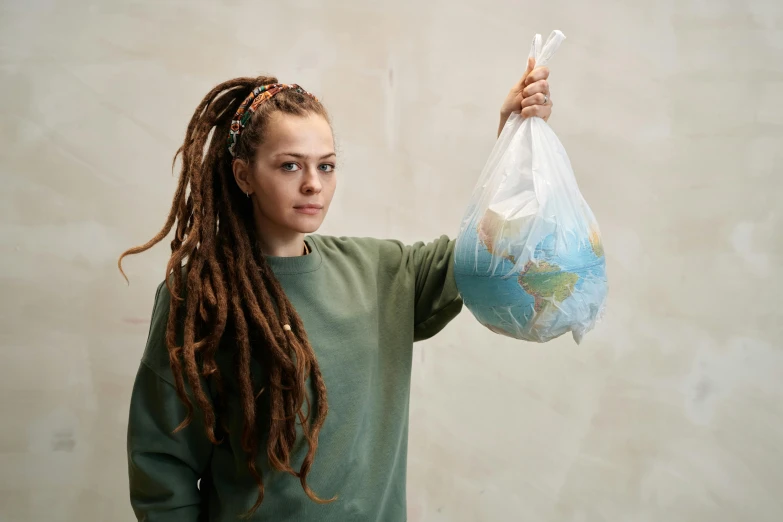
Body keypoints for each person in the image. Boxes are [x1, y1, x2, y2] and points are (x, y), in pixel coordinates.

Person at [121, 57, 553, 521]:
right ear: (244, 174)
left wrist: (513, 137)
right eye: (290, 166)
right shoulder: (202, 295)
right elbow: (162, 466)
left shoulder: (381, 272)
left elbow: (484, 248)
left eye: (326, 167)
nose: (313, 184)